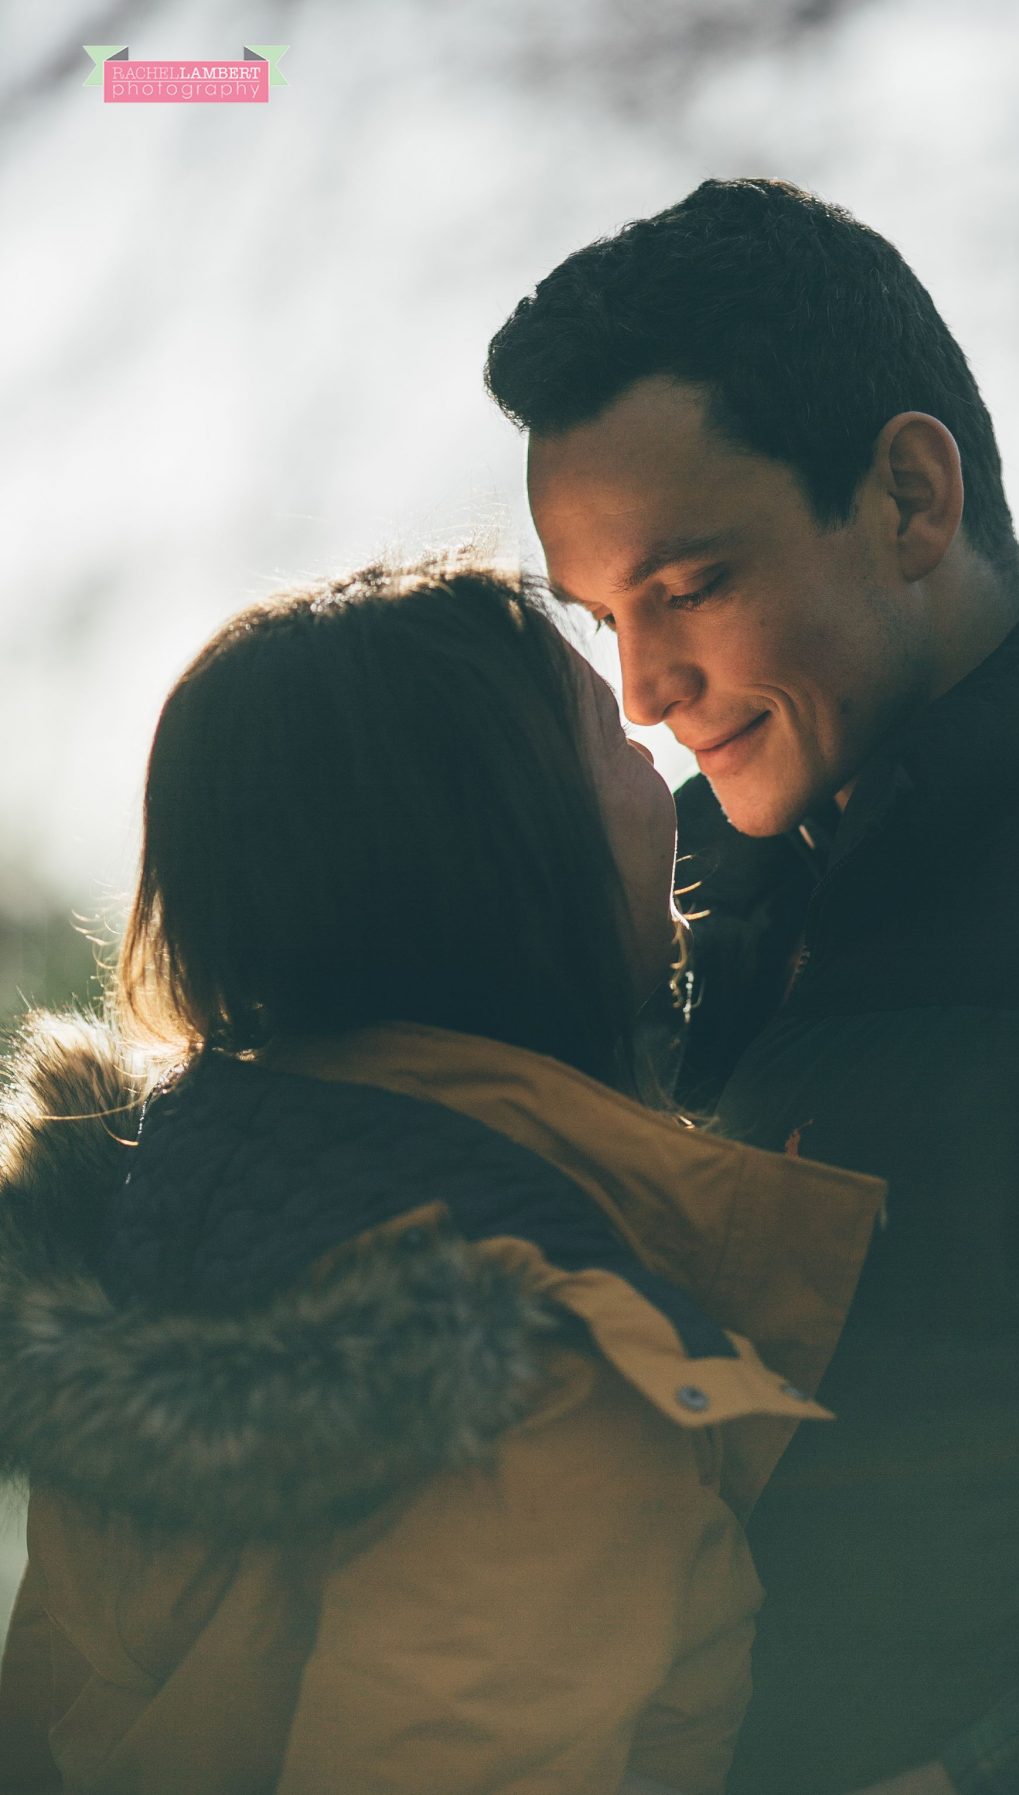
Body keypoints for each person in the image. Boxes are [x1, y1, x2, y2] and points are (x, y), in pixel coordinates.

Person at [484, 179, 1019, 1794]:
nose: (648, 694)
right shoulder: (716, 905)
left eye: (685, 589)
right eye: (604, 621)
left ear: (907, 496)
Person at [0, 556, 881, 1795]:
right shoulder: (539, 1369)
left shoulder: (146, 1229)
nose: (662, 771)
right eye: (612, 745)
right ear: (509, 847)